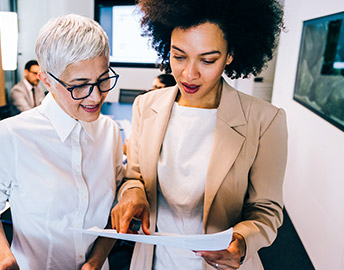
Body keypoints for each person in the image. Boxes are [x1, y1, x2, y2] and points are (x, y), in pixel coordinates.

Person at [110, 0, 288, 269]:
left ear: (230, 55)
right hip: (153, 259)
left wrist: (241, 241)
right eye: (178, 56)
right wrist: (133, 193)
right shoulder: (146, 106)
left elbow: (266, 210)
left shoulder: (264, 120)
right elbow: (134, 176)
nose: (189, 74)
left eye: (208, 60)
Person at [0, 14, 124, 270]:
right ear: (47, 80)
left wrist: (96, 261)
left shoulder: (109, 131)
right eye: (80, 85)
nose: (96, 96)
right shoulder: (12, 135)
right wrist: (4, 256)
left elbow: (112, 211)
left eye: (103, 79)